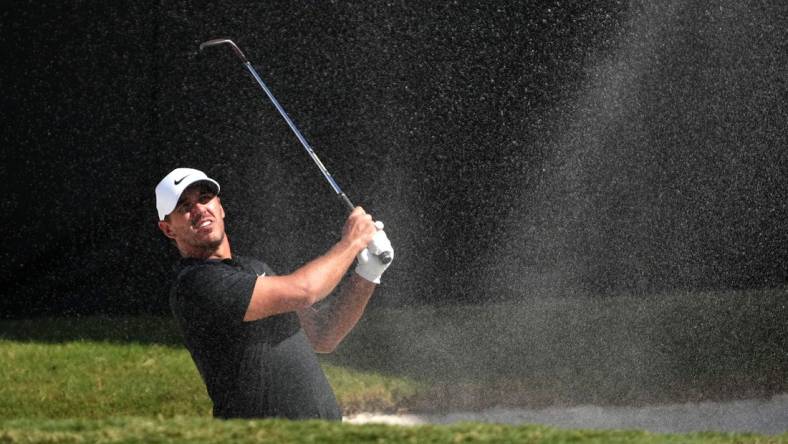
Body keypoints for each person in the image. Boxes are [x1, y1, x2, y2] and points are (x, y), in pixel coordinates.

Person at [154, 167, 393, 420]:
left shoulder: (255, 270)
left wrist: (368, 274)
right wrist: (352, 241)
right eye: (184, 207)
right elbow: (305, 290)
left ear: (220, 207)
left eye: (205, 198)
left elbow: (323, 335)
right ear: (168, 229)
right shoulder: (195, 284)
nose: (200, 209)